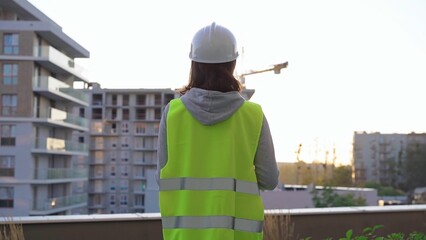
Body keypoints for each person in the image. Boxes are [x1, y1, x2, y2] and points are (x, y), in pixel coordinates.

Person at [156, 22, 279, 240]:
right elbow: (269, 179)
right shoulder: (253, 115)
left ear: (194, 64)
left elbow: (161, 178)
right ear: (233, 64)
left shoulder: (172, 114)